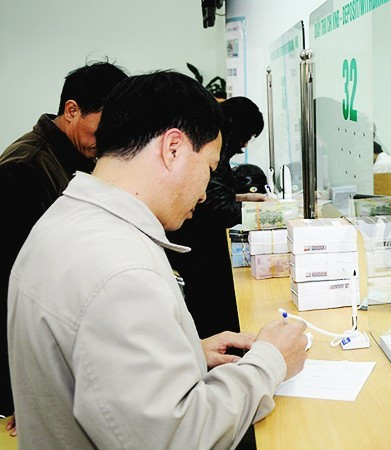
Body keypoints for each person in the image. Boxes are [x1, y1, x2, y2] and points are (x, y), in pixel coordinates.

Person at [7, 71, 308, 449]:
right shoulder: (121, 271)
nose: (203, 193)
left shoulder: (66, 219)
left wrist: (186, 352)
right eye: (209, 169)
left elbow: (90, 363)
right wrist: (271, 362)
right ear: (173, 148)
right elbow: (178, 437)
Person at [0, 61, 128, 435]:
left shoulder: (74, 160)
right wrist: (24, 394)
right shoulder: (23, 170)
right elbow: (15, 291)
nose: (108, 140)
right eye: (103, 125)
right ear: (72, 110)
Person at [167, 96, 268, 339]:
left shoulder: (216, 152)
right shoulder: (214, 154)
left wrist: (244, 199)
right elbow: (216, 207)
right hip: (198, 257)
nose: (244, 146)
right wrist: (270, 215)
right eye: (247, 137)